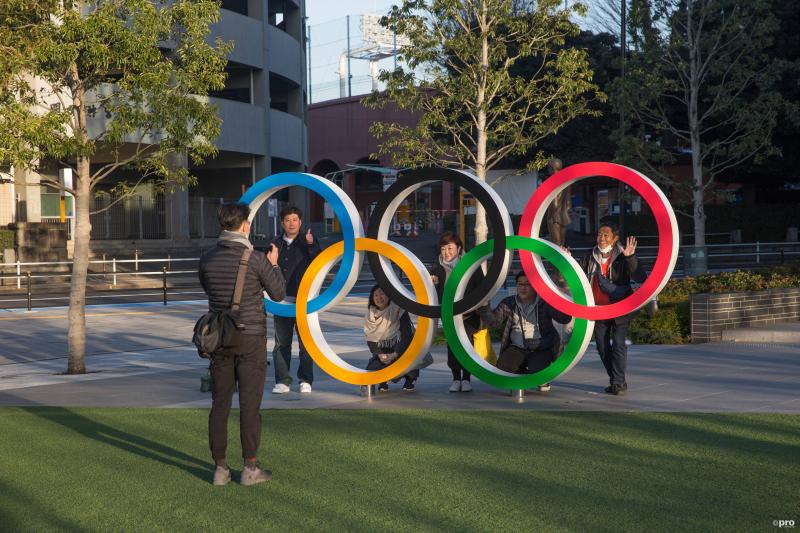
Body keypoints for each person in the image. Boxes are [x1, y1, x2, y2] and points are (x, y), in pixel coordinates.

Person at [198, 202, 286, 486]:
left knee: (220, 403)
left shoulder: (207, 258)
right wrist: (274, 265)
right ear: (245, 226)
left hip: (220, 339)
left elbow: (208, 289)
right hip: (250, 338)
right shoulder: (256, 258)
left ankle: (220, 469)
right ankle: (250, 468)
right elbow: (279, 293)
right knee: (250, 404)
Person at [578, 221, 646, 395]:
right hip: (599, 309)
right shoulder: (589, 255)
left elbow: (640, 277)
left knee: (618, 344)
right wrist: (566, 259)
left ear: (615, 238)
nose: (601, 238)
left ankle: (617, 383)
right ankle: (617, 380)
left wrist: (630, 257)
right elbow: (577, 274)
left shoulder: (623, 255)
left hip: (620, 308)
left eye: (606, 235)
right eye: (599, 234)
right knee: (602, 347)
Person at [478, 272, 571, 392]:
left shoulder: (544, 302)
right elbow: (494, 323)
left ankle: (541, 377)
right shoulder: (509, 302)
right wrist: (485, 305)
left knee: (538, 368)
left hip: (540, 346)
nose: (523, 287)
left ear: (535, 286)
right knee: (503, 367)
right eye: (520, 284)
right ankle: (523, 377)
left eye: (527, 284)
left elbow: (564, 318)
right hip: (517, 346)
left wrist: (558, 298)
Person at [270, 206, 321, 394]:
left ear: (300, 222)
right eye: (287, 220)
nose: (291, 223)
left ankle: (306, 379)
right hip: (281, 301)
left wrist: (310, 245)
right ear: (282, 223)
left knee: (306, 343)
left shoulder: (308, 240)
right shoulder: (275, 243)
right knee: (281, 343)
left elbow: (320, 262)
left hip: (305, 302)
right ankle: (282, 381)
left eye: (295, 219)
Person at [430, 231, 484, 392]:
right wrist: (432, 282)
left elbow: (481, 286)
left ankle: (466, 379)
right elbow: (433, 289)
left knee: (467, 345)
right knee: (453, 347)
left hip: (468, 313)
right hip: (450, 315)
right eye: (443, 249)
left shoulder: (470, 264)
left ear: (459, 249)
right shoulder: (437, 266)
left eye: (450, 248)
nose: (446, 252)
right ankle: (455, 378)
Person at [363, 285, 420, 392]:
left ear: (389, 296)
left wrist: (395, 354)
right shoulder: (370, 314)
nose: (379, 297)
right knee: (372, 368)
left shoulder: (398, 309)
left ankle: (411, 379)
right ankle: (383, 380)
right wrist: (380, 355)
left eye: (382, 294)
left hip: (400, 348)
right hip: (382, 350)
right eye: (376, 295)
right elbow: (370, 339)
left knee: (408, 362)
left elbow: (406, 335)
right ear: (372, 298)